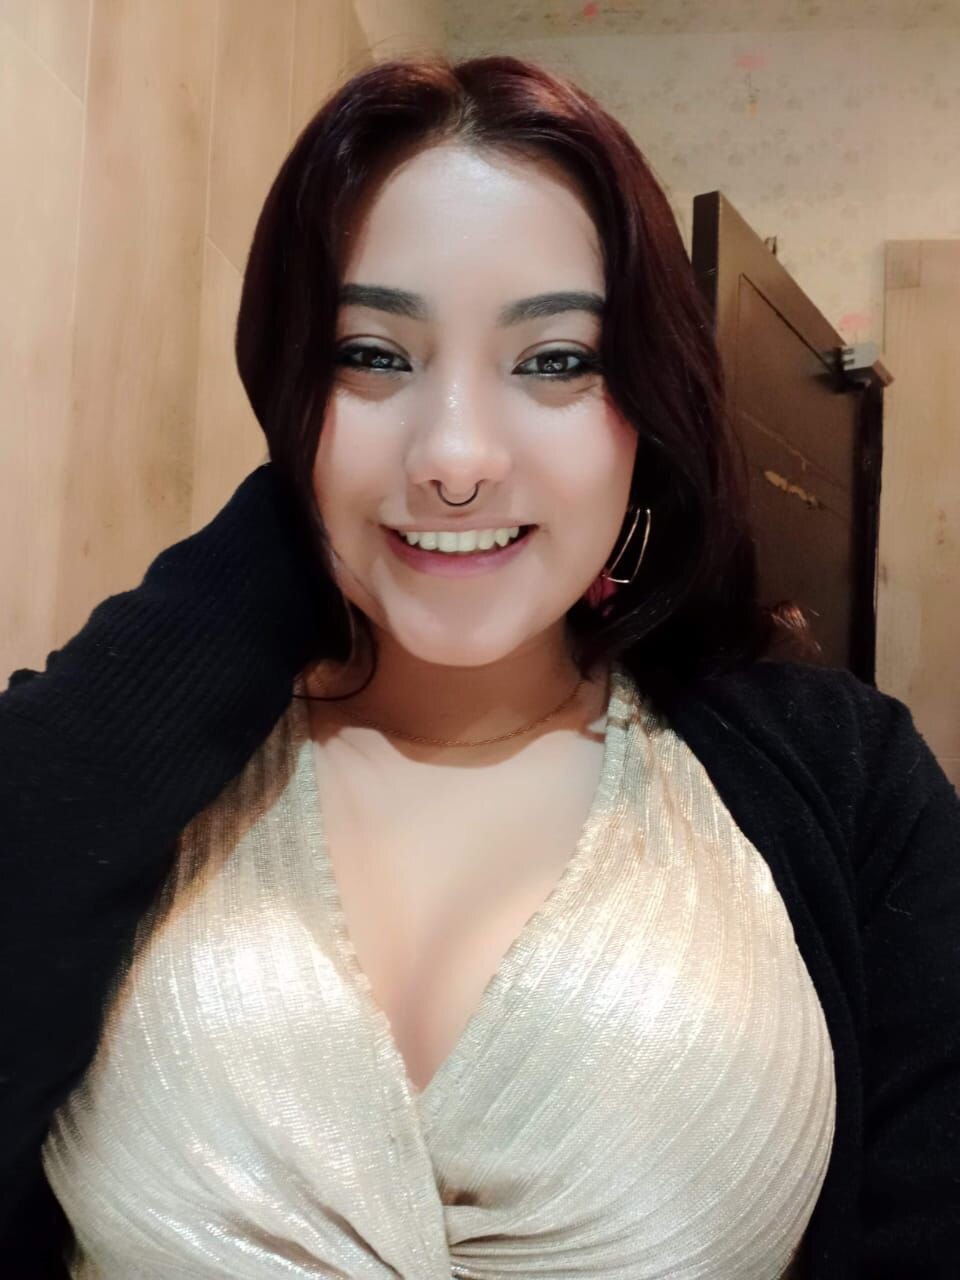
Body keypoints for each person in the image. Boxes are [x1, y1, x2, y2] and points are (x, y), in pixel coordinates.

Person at [1, 52, 957, 1280]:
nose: (454, 456)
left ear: (649, 399)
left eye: (555, 359)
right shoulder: (140, 775)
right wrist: (267, 553)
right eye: (370, 354)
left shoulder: (849, 780)